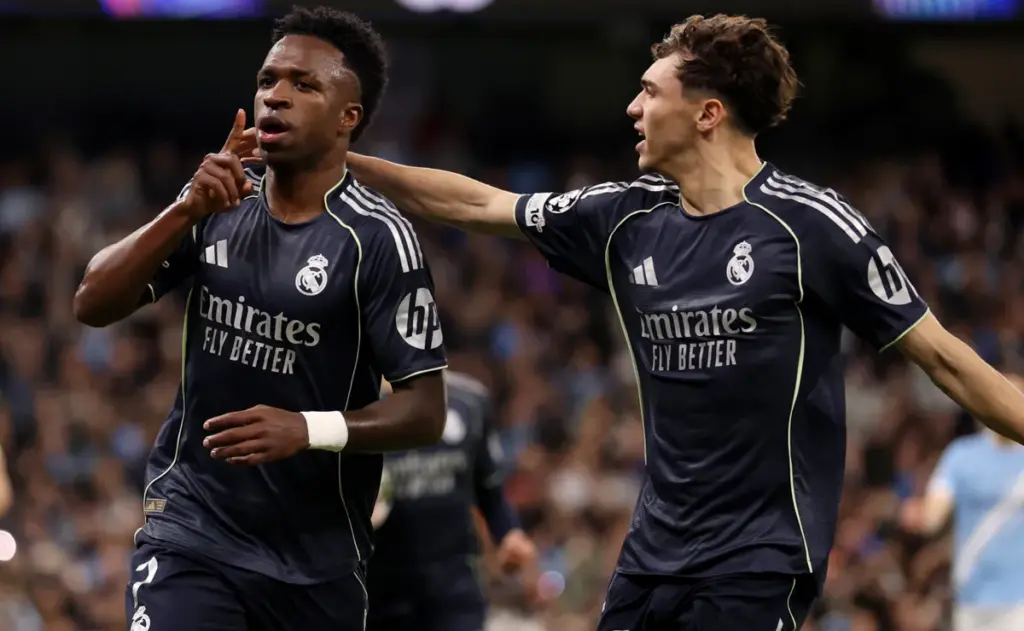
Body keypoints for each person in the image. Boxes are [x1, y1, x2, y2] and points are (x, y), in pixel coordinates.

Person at [345, 14, 1024, 631]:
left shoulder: (812, 225)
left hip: (759, 556)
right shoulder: (625, 218)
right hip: (652, 555)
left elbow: (945, 358)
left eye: (649, 91)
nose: (632, 107)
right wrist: (340, 165)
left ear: (707, 113)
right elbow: (481, 205)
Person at [73, 7, 448, 630]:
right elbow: (91, 302)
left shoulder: (380, 240)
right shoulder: (219, 200)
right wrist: (184, 211)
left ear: (348, 118)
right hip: (192, 533)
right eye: (268, 80)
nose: (276, 96)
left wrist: (308, 429)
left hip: (317, 563)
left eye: (304, 85)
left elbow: (426, 411)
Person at [366, 370, 537, 631]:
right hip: (379, 588)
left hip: (454, 587)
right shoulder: (356, 405)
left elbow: (489, 487)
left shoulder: (469, 400)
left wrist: (509, 533)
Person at [902, 372, 1024, 631]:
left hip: (1019, 600)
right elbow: (933, 515)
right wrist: (918, 515)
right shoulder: (961, 455)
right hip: (970, 597)